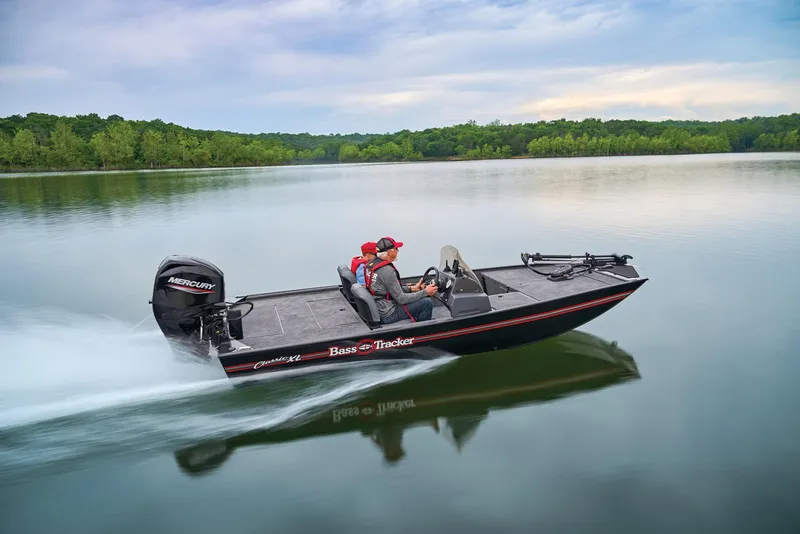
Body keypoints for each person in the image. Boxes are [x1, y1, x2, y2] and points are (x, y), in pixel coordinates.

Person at [364, 236, 438, 323]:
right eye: (396, 249)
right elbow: (401, 299)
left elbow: (389, 290)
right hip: (388, 313)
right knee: (426, 303)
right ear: (389, 252)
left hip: (379, 307)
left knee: (421, 297)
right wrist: (425, 292)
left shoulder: (372, 265)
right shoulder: (387, 271)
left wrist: (412, 288)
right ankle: (422, 331)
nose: (398, 251)